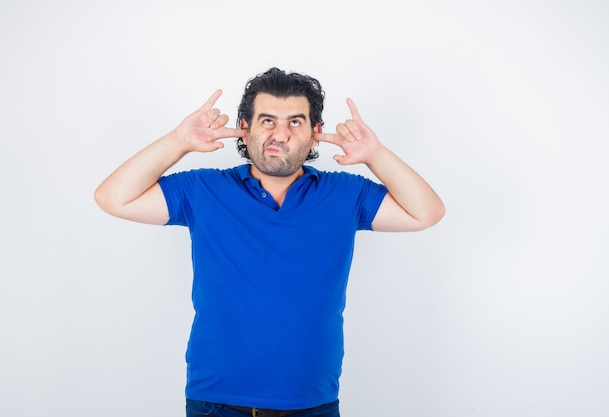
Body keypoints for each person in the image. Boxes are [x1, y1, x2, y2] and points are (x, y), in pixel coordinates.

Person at [94, 67, 445, 417]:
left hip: (312, 405)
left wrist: (375, 154)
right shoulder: (203, 190)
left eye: (295, 122)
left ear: (315, 133)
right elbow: (113, 198)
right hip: (216, 402)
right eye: (267, 121)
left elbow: (426, 213)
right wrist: (177, 142)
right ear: (244, 130)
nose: (280, 134)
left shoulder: (345, 193)